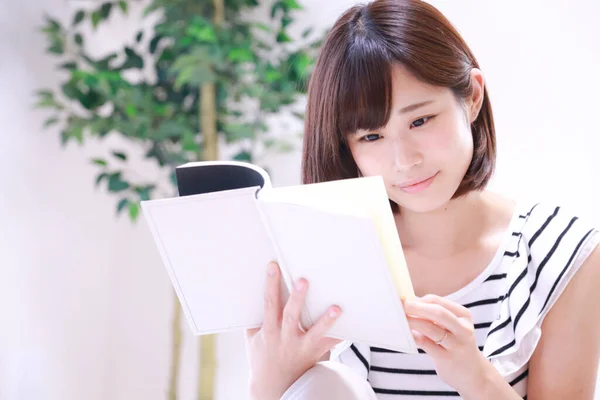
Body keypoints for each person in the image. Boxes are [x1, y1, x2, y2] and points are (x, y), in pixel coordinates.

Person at [244, 0, 600, 398]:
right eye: (371, 137)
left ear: (473, 98)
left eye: (420, 120)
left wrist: (477, 379)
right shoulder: (321, 257)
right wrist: (270, 381)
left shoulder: (558, 254)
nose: (404, 161)